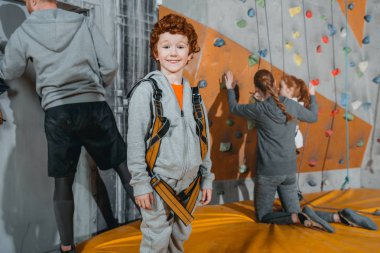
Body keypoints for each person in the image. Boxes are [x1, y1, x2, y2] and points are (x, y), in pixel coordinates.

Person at [0, 0, 135, 252]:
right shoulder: (84, 22)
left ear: (31, 2)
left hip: (58, 111)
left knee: (63, 183)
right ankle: (156, 224)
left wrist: (6, 51)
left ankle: (67, 247)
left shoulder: (23, 33)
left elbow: (10, 71)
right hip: (94, 106)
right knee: (123, 167)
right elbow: (110, 66)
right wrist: (94, 89)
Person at [127, 14, 214, 253]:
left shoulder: (195, 96)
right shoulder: (146, 92)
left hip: (191, 184)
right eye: (166, 46)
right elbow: (135, 142)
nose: (173, 53)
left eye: (180, 47)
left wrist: (207, 177)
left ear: (190, 54)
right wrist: (140, 184)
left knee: (179, 238)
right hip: (158, 183)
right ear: (156, 52)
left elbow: (204, 139)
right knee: (156, 240)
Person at [224, 69, 335, 232]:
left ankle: (298, 217)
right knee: (294, 210)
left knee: (264, 216)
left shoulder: (258, 109)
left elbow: (233, 108)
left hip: (268, 173)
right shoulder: (291, 105)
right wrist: (312, 94)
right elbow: (313, 117)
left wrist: (229, 88)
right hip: (289, 171)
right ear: (274, 84)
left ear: (257, 90)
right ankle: (336, 217)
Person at [279, 75, 378, 231]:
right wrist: (312, 94)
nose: (277, 90)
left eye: (281, 87)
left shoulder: (287, 106)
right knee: (291, 211)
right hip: (289, 155)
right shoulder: (295, 105)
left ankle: (334, 217)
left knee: (290, 213)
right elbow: (312, 113)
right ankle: (339, 217)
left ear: (290, 90)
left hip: (281, 159)